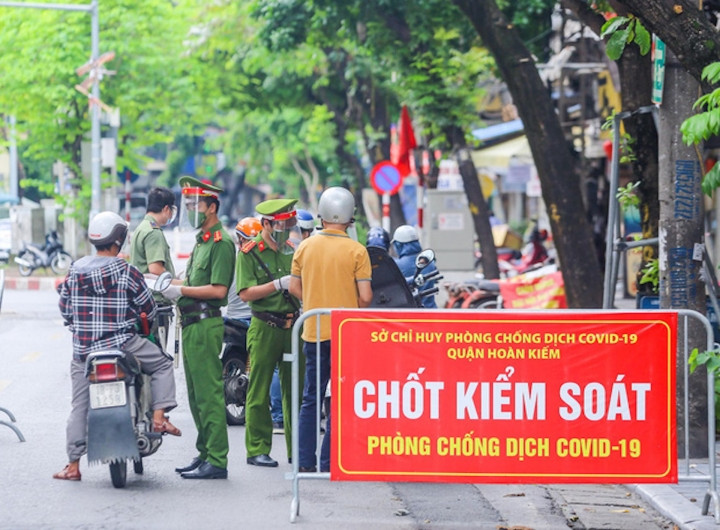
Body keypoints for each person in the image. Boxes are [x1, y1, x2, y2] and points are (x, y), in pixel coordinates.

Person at [53, 211, 180, 481]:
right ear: (119, 240)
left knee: (79, 405)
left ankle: (73, 466)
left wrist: (76, 323)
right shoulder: (127, 271)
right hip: (123, 345)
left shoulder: (74, 270)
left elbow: (65, 309)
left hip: (85, 352)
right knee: (163, 363)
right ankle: (159, 417)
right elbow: (147, 307)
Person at [289, 187, 373, 472]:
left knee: (310, 398)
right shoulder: (357, 251)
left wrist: (314, 300)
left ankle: (304, 464)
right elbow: (366, 298)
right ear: (351, 218)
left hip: (312, 331)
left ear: (321, 216)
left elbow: (294, 287)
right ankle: (329, 463)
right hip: (345, 336)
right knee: (338, 400)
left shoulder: (305, 246)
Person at [167, 176, 235, 480]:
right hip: (192, 324)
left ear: (211, 207)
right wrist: (168, 285)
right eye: (188, 204)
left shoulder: (222, 243)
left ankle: (217, 460)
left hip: (207, 324)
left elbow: (218, 290)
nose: (191, 209)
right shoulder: (201, 241)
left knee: (209, 394)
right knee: (195, 395)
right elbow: (193, 282)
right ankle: (205, 452)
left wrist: (181, 292)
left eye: (195, 204)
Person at [236, 198, 304, 468]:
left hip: (292, 326)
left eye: (290, 223)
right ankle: (257, 449)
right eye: (281, 224)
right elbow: (245, 293)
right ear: (266, 224)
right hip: (264, 326)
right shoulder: (250, 252)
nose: (287, 229)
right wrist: (277, 284)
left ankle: (297, 449)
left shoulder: (291, 250)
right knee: (259, 390)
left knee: (295, 389)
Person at [129, 186, 178, 343]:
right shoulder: (153, 233)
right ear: (166, 209)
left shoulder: (141, 228)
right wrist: (182, 284)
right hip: (155, 303)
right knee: (157, 355)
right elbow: (156, 270)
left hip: (142, 301)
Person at [392, 224, 438, 308]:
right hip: (431, 310)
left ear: (399, 245)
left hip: (409, 313)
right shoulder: (429, 262)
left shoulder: (396, 265)